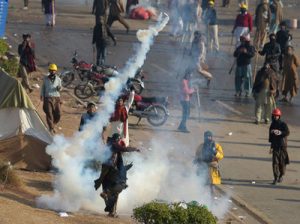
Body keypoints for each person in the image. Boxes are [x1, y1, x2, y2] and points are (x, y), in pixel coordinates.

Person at [94, 133, 140, 217]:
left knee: (104, 184)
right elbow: (124, 149)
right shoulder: (114, 145)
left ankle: (111, 211)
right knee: (119, 182)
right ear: (117, 139)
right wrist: (135, 149)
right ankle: (119, 186)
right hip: (110, 167)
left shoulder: (109, 144)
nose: (119, 141)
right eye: (119, 140)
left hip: (105, 167)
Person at [269, 108, 290, 185]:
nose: (275, 117)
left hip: (283, 147)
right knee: (275, 163)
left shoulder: (283, 124)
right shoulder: (272, 125)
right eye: (274, 116)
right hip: (275, 147)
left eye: (277, 116)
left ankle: (281, 175)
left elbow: (287, 132)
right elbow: (271, 138)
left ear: (279, 116)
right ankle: (275, 177)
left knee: (282, 163)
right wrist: (271, 147)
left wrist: (280, 132)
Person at [40, 63, 62, 134]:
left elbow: (60, 87)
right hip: (47, 97)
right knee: (49, 113)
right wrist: (41, 95)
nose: (52, 72)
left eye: (54, 70)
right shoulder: (45, 79)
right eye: (51, 70)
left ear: (56, 71)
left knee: (58, 114)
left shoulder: (58, 79)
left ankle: (53, 124)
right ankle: (51, 128)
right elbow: (43, 87)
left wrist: (59, 88)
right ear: (49, 70)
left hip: (56, 98)